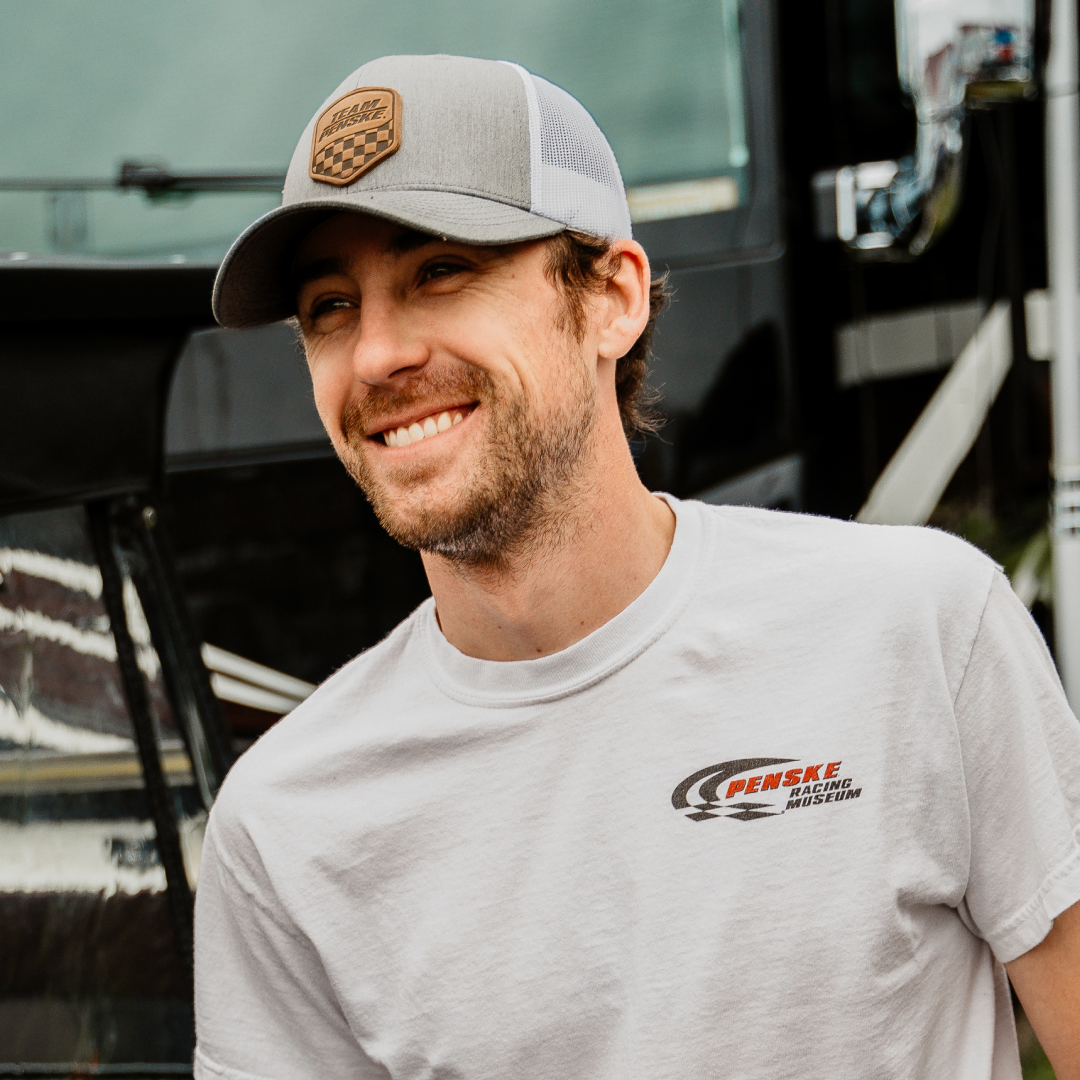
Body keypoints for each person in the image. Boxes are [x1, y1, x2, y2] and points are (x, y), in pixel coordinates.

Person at [194, 54, 1080, 1080]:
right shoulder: (285, 823)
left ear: (612, 298)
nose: (377, 353)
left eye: (440, 271)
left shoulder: (920, 629)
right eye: (330, 308)